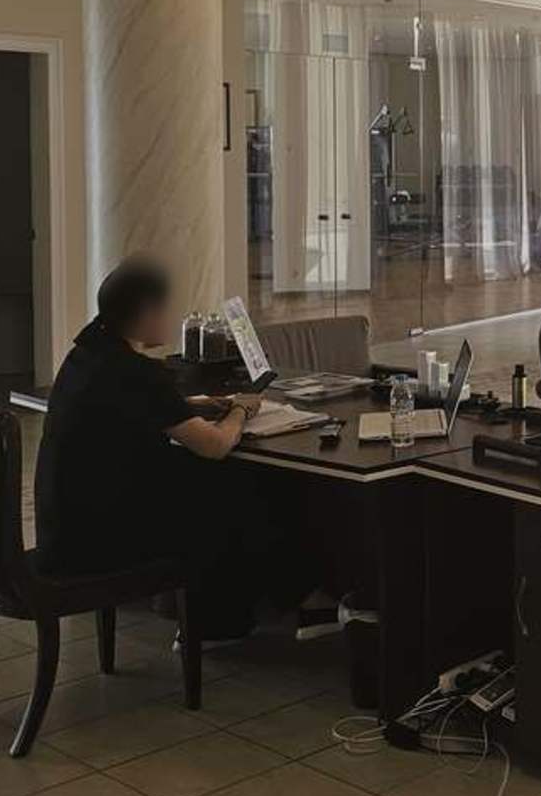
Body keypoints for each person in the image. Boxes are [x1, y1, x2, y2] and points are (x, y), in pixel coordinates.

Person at [35, 255, 333, 641]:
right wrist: (241, 410)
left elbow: (126, 409)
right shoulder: (136, 373)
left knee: (220, 486)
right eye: (166, 309)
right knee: (248, 487)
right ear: (147, 311)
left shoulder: (87, 354)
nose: (171, 318)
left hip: (68, 529)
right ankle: (256, 611)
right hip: (105, 540)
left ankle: (225, 616)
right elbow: (215, 445)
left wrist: (191, 406)